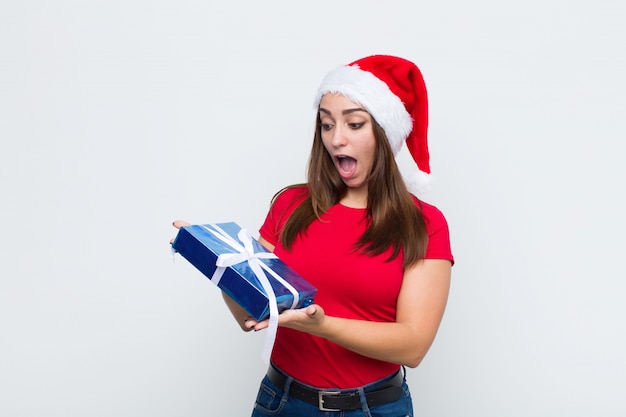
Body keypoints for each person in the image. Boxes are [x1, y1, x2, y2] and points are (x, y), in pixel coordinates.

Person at [173, 54, 453, 416]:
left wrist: (321, 325)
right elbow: (252, 314)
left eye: (354, 124)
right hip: (282, 401)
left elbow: (413, 345)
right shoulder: (290, 205)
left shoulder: (424, 223)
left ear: (384, 132)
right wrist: (217, 262)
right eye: (326, 124)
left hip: (372, 408)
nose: (336, 139)